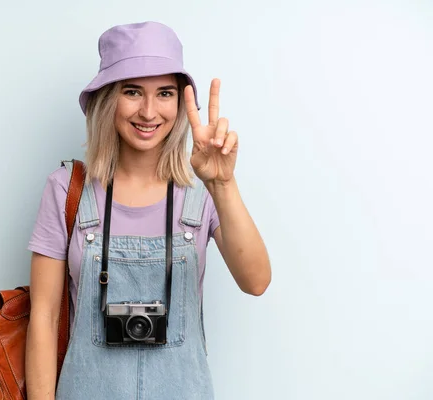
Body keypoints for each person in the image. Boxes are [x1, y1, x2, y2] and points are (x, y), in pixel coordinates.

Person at [25, 21, 271, 400]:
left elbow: (256, 281)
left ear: (180, 101)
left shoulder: (200, 194)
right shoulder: (67, 191)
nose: (149, 111)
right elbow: (43, 317)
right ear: (108, 98)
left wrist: (222, 183)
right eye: (133, 91)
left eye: (165, 93)